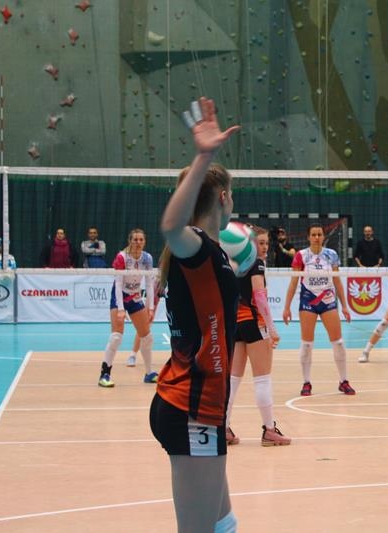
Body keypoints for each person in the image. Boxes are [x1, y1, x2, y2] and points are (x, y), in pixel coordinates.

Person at [149, 97, 241, 532]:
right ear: (222, 197)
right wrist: (204, 157)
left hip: (203, 407)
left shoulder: (215, 254)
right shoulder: (196, 248)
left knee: (224, 524)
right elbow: (170, 226)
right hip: (192, 409)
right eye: (231, 195)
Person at [224, 226, 290, 446]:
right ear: (250, 244)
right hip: (254, 323)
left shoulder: (233, 263)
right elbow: (259, 295)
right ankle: (269, 430)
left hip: (236, 323)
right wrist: (271, 328)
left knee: (233, 380)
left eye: (267, 243)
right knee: (262, 378)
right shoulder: (256, 263)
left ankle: (223, 428)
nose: (265, 247)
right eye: (260, 243)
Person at [283, 224, 355, 396]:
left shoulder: (331, 255)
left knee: (338, 342)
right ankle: (306, 382)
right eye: (313, 234)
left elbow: (337, 281)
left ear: (323, 236)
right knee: (307, 344)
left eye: (319, 234)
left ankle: (344, 381)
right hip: (308, 300)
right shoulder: (301, 256)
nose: (316, 237)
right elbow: (293, 282)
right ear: (308, 237)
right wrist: (286, 307)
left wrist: (345, 306)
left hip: (328, 300)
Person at [97, 229, 156, 387]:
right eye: (135, 240)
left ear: (145, 241)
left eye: (141, 240)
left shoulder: (147, 258)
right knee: (116, 336)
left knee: (147, 337)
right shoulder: (122, 257)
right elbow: (118, 283)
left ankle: (149, 373)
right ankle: (104, 375)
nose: (138, 243)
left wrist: (150, 308)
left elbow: (149, 284)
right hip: (120, 296)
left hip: (135, 296)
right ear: (130, 241)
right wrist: (121, 309)